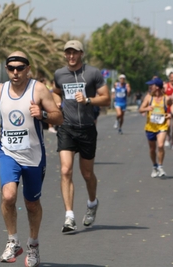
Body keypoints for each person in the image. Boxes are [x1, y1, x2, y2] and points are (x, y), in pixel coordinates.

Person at [0, 51, 63, 266]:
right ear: (6, 69)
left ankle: (33, 245)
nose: (15, 72)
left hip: (33, 156)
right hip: (8, 152)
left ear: (28, 68)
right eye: (11, 68)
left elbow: (59, 117)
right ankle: (13, 241)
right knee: (8, 196)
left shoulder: (38, 89)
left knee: (32, 203)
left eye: (20, 68)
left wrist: (43, 114)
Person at [52, 40, 110, 234]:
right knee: (66, 170)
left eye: (74, 52)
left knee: (87, 174)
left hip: (86, 128)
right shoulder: (59, 74)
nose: (71, 56)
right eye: (68, 53)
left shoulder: (92, 73)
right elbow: (56, 92)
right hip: (66, 127)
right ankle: (69, 216)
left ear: (81, 53)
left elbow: (106, 98)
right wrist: (57, 103)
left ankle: (92, 202)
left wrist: (88, 100)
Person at [139, 77, 172, 178]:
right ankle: (154, 166)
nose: (149, 87)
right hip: (150, 127)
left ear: (157, 87)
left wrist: (170, 115)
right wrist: (146, 108)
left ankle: (160, 166)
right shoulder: (149, 97)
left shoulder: (166, 98)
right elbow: (140, 109)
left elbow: (171, 109)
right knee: (152, 149)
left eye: (151, 85)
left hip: (162, 126)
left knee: (161, 145)